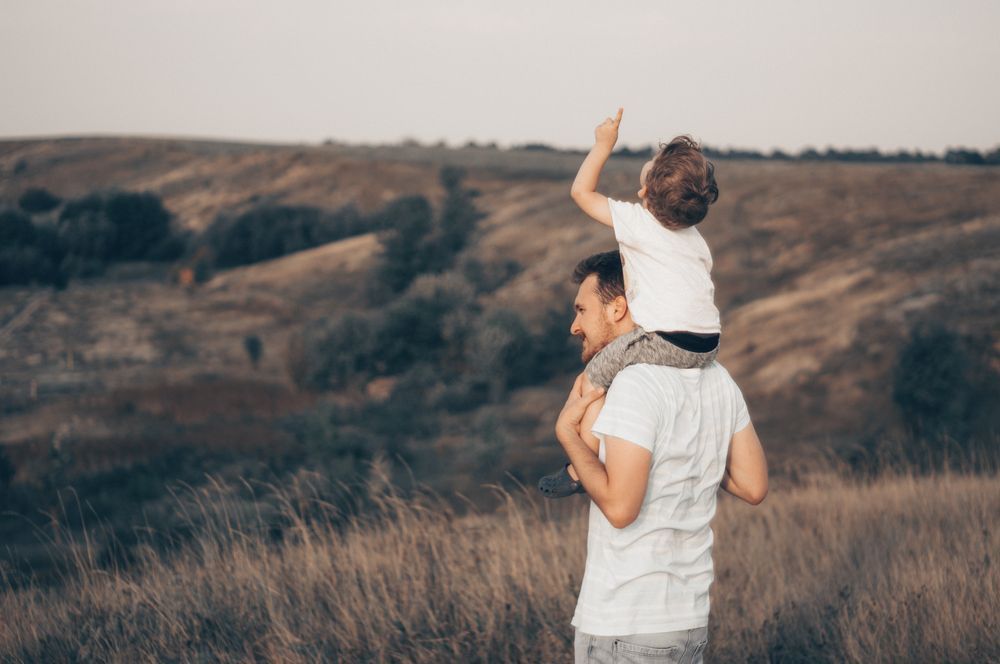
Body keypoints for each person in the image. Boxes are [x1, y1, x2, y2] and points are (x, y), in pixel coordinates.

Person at [553, 251, 768, 663]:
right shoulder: (718, 378)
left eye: (582, 309)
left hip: (628, 622)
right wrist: (687, 442)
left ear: (618, 308)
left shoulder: (634, 384)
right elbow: (753, 486)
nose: (574, 325)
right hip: (687, 622)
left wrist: (565, 433)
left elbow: (619, 509)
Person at [539, 109, 724, 498]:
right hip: (708, 345)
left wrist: (602, 145)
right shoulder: (695, 240)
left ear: (647, 196)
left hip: (669, 339)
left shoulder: (641, 223)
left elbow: (581, 193)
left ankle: (579, 467)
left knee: (592, 379)